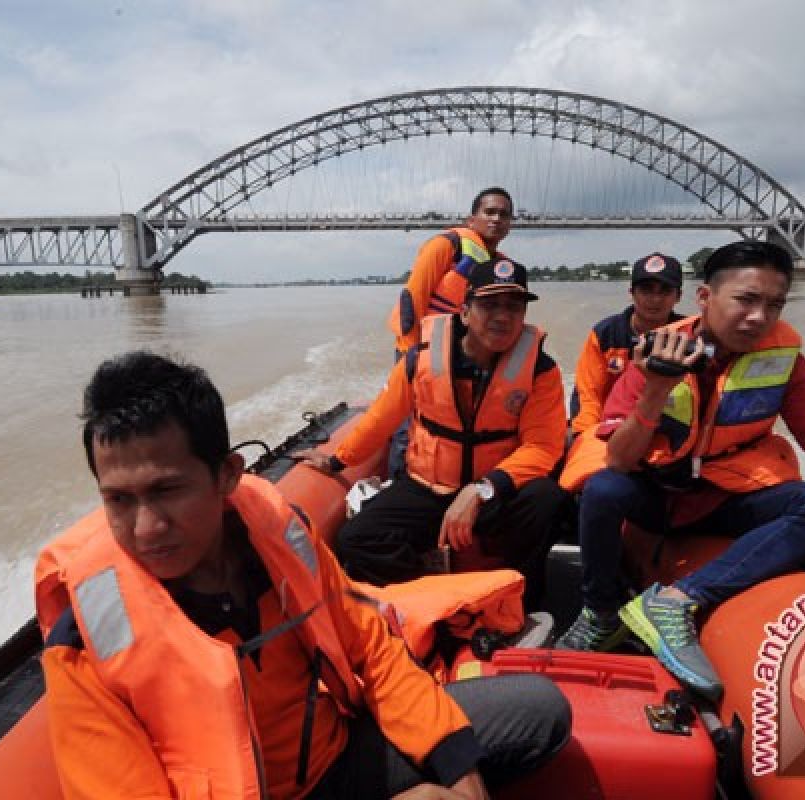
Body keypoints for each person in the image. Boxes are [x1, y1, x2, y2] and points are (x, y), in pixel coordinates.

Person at [35, 352, 570, 800]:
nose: (146, 527)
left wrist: (459, 769)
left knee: (539, 712)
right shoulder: (84, 638)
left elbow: (369, 646)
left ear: (226, 477)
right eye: (119, 501)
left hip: (333, 762)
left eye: (166, 491)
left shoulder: (280, 533)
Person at [555, 241, 805, 702]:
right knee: (603, 489)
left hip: (726, 498)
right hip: (659, 496)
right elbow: (620, 459)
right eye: (746, 300)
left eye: (774, 304)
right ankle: (601, 612)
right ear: (705, 297)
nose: (759, 317)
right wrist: (656, 389)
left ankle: (676, 601)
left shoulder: (786, 361)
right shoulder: (655, 354)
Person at [300, 259, 566, 608]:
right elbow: (381, 418)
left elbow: (543, 446)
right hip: (429, 487)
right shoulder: (419, 361)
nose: (503, 316)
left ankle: (521, 604)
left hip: (494, 493)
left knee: (547, 499)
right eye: (489, 304)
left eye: (514, 307)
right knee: (356, 540)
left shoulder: (540, 370)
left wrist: (481, 490)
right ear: (466, 311)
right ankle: (436, 602)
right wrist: (337, 461)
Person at [386, 188, 515, 477]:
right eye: (489, 212)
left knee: (451, 423)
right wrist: (411, 356)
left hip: (460, 353)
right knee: (410, 423)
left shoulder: (500, 264)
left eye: (503, 215)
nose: (496, 219)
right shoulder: (447, 245)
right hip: (421, 348)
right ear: (472, 219)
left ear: (510, 224)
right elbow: (412, 299)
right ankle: (398, 483)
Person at [559, 252, 687, 494]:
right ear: (632, 293)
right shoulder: (606, 334)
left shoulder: (687, 338)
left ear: (678, 296)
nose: (655, 299)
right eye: (646, 289)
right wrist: (585, 439)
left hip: (661, 430)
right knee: (578, 471)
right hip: (606, 429)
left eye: (665, 291)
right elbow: (588, 397)